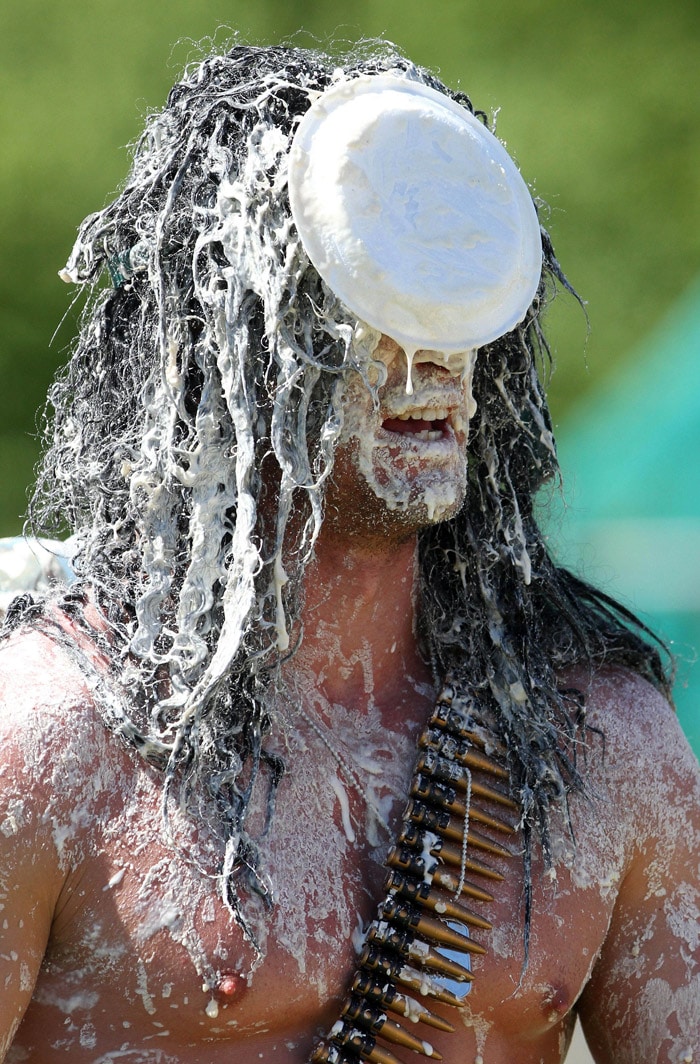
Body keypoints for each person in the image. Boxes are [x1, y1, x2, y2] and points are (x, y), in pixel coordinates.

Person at [0, 41, 697, 1064]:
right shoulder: (56, 742)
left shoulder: (600, 747)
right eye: (358, 303)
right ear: (222, 337)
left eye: (447, 300)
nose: (427, 355)